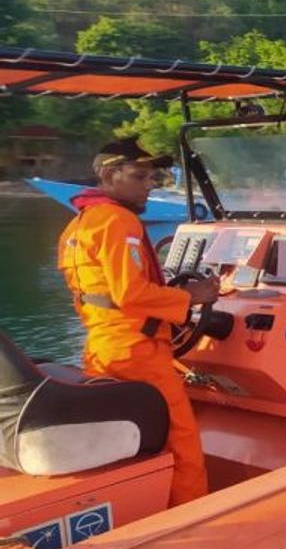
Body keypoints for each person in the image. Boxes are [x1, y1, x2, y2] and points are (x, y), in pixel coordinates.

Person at [57, 137, 219, 506]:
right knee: (183, 447)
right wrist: (193, 296)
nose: (150, 183)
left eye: (152, 176)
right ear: (110, 174)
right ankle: (192, 520)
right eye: (140, 175)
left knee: (141, 445)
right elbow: (130, 293)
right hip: (140, 355)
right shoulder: (119, 221)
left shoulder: (79, 226)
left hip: (102, 351)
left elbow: (99, 298)